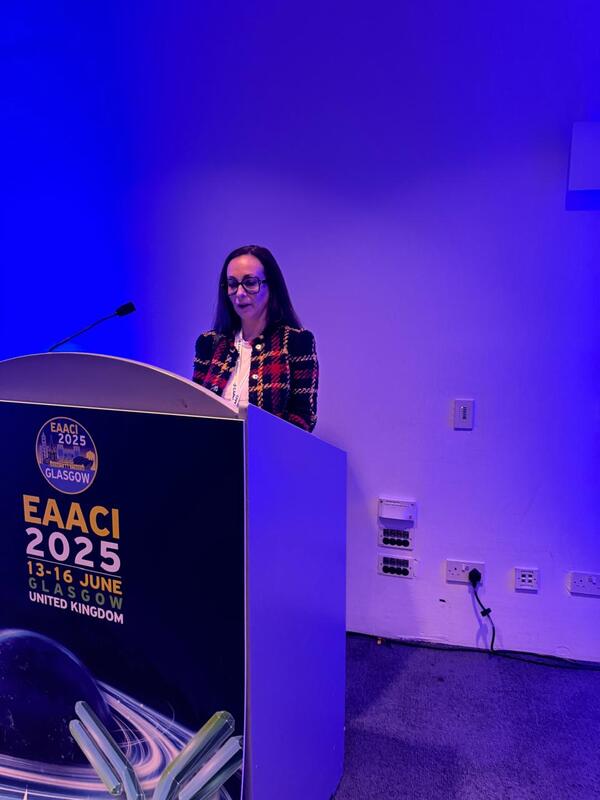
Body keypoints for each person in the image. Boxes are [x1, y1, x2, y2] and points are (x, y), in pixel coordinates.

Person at [193, 245, 318, 432]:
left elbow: (304, 419)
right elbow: (194, 410)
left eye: (250, 283)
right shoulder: (209, 343)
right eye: (232, 284)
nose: (240, 293)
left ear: (271, 286)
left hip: (268, 449)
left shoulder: (297, 342)